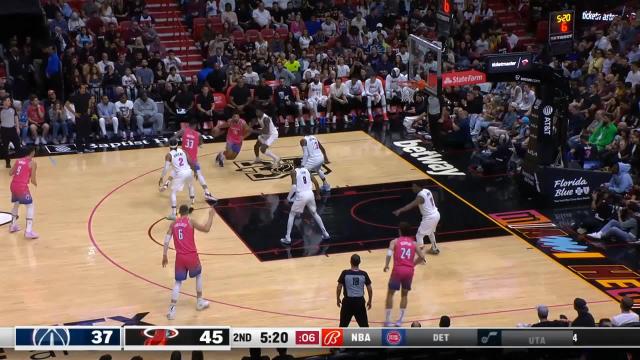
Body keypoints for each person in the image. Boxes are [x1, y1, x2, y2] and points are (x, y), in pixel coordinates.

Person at [162, 204, 215, 320]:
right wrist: (211, 216)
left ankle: (172, 310)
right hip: (191, 256)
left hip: (179, 257)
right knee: (199, 275)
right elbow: (206, 229)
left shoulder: (173, 223)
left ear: (179, 213)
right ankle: (199, 301)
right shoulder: (191, 221)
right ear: (188, 213)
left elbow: (166, 241)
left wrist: (164, 255)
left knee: (178, 282)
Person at [383, 222, 425, 327]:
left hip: (397, 270)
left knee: (390, 294)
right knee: (404, 295)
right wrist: (413, 264)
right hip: (409, 271)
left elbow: (389, 254)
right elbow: (422, 256)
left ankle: (388, 320)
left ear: (400, 231)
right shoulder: (414, 243)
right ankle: (399, 321)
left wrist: (386, 265)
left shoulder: (395, 241)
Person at [279, 161, 330, 245]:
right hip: (310, 194)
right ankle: (325, 233)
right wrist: (317, 194)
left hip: (301, 195)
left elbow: (294, 187)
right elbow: (316, 183)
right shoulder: (307, 170)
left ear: (294, 164)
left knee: (292, 215)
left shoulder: (293, 172)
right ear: (301, 164)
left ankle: (288, 238)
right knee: (314, 213)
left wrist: (288, 198)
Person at [173, 119, 216, 202]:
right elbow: (200, 143)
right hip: (192, 159)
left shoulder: (183, 130)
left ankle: (171, 186)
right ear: (196, 125)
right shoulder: (198, 134)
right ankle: (207, 193)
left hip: (183, 157)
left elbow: (174, 138)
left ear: (189, 124)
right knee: (199, 175)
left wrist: (168, 144)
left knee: (178, 172)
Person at [393, 183, 441, 256]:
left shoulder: (420, 197)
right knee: (430, 232)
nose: (412, 188)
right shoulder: (427, 190)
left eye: (414, 186)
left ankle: (421, 257)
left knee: (419, 235)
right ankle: (434, 249)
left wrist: (399, 210)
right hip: (436, 214)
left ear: (418, 186)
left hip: (429, 217)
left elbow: (410, 205)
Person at [159, 139, 196, 220]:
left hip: (181, 174)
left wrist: (161, 177)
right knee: (190, 186)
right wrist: (195, 171)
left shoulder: (169, 155)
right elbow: (190, 161)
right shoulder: (184, 151)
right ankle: (192, 205)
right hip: (189, 171)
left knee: (173, 192)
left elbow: (165, 169)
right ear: (177, 144)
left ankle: (173, 214)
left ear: (169, 146)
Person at [9, 146, 38, 239]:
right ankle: (28, 231)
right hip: (22, 187)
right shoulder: (32, 163)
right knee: (30, 206)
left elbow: (10, 173)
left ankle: (12, 226)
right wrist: (36, 184)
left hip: (13, 185)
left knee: (16, 204)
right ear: (32, 152)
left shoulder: (18, 160)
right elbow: (33, 180)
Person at [336, 254, 373, 327]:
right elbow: (369, 289)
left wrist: (338, 298)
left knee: (343, 326)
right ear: (360, 262)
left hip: (347, 302)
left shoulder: (345, 273)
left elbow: (339, 287)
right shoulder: (364, 274)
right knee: (364, 326)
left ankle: (340, 338)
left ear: (350, 262)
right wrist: (370, 300)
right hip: (360, 302)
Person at [1, 96, 21, 168]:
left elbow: (16, 118)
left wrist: (17, 128)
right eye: (8, 100)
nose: (10, 102)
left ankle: (20, 161)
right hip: (4, 130)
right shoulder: (1, 109)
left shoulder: (13, 109)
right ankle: (7, 162)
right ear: (4, 101)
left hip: (12, 129)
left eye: (10, 100)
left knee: (17, 146)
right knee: (5, 147)